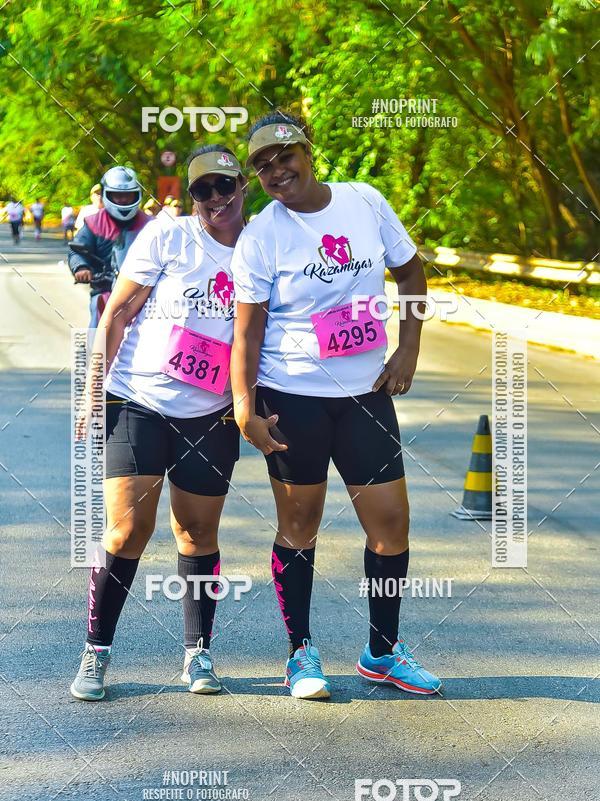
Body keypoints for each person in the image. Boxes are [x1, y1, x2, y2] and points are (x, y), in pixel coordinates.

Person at [231, 112, 442, 700]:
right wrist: (245, 408)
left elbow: (411, 273)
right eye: (263, 166)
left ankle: (383, 652)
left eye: (285, 156)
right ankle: (300, 653)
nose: (277, 171)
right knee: (299, 526)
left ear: (309, 150)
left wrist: (408, 348)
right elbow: (246, 333)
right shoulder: (262, 235)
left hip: (366, 395)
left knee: (391, 524)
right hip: (292, 397)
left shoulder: (364, 201)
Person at [70, 145, 246, 702]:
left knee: (197, 533)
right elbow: (117, 312)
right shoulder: (167, 235)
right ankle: (96, 650)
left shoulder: (260, 245)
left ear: (243, 186)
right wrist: (92, 392)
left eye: (224, 185)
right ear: (190, 196)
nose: (215, 198)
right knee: (126, 532)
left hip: (212, 413)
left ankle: (198, 653)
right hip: (139, 400)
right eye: (202, 190)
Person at [67, 167, 149, 327]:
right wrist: (81, 267)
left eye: (128, 195)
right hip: (105, 287)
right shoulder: (93, 223)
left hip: (143, 291)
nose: (123, 200)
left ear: (137, 194)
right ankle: (94, 343)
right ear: (106, 194)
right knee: (97, 320)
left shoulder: (151, 224)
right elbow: (77, 251)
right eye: (118, 195)